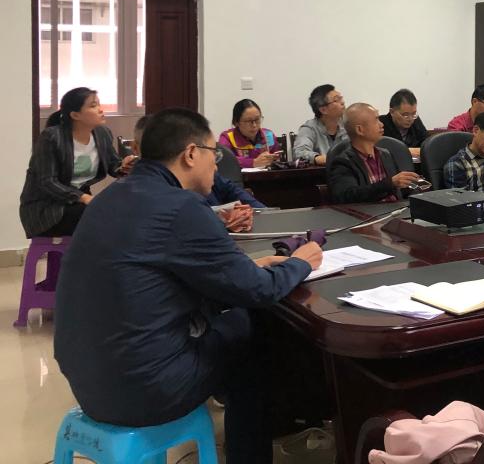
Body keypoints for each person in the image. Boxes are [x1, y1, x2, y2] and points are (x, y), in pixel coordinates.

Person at [54, 108, 323, 464]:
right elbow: (257, 291)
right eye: (214, 155)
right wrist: (301, 262)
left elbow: (155, 275)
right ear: (191, 154)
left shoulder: (110, 197)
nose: (216, 165)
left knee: (232, 323)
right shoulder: (181, 206)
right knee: (252, 334)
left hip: (87, 379)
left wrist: (245, 269)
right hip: (141, 388)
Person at [19, 87, 135, 238]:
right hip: (47, 208)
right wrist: (84, 198)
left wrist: (124, 165)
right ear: (75, 115)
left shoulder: (102, 133)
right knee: (104, 215)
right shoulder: (52, 137)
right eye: (93, 105)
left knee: (122, 209)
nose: (101, 109)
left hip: (79, 203)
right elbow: (47, 181)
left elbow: (113, 165)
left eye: (99, 104)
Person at [135, 115, 260, 228]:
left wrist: (256, 212)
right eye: (213, 153)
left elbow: (232, 191)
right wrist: (222, 219)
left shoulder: (207, 175)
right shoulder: (155, 194)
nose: (215, 166)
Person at [327, 103, 421, 203]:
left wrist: (412, 185)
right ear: (360, 130)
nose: (382, 124)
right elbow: (348, 195)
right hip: (368, 212)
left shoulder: (386, 154)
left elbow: (401, 190)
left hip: (397, 209)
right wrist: (389, 184)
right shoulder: (343, 162)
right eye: (376, 120)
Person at [294, 84, 349, 166]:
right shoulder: (309, 128)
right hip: (321, 173)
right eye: (336, 100)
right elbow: (299, 153)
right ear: (323, 110)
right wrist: (318, 158)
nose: (342, 102)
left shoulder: (348, 125)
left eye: (341, 98)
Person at [218, 99, 281, 168]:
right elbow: (223, 160)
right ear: (236, 122)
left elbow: (278, 160)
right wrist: (253, 162)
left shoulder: (268, 135)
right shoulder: (227, 137)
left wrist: (274, 159)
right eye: (248, 121)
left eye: (257, 119)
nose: (254, 125)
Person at [380, 88, 429, 157]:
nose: (410, 119)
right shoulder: (380, 124)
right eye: (405, 115)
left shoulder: (415, 120)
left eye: (414, 114)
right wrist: (408, 151)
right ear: (392, 112)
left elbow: (427, 144)